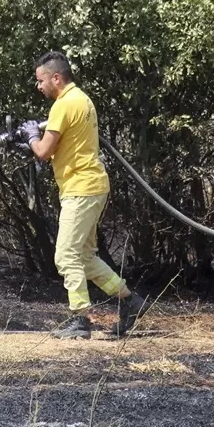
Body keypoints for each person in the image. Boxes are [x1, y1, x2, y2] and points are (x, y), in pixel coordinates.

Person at [22, 52, 148, 339]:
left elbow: (43, 152)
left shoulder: (64, 105)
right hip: (91, 187)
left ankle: (80, 321)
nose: (38, 86)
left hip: (80, 189)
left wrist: (31, 136)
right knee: (86, 257)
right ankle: (131, 301)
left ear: (56, 78)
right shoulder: (82, 99)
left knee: (66, 255)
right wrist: (33, 139)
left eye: (41, 80)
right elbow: (60, 144)